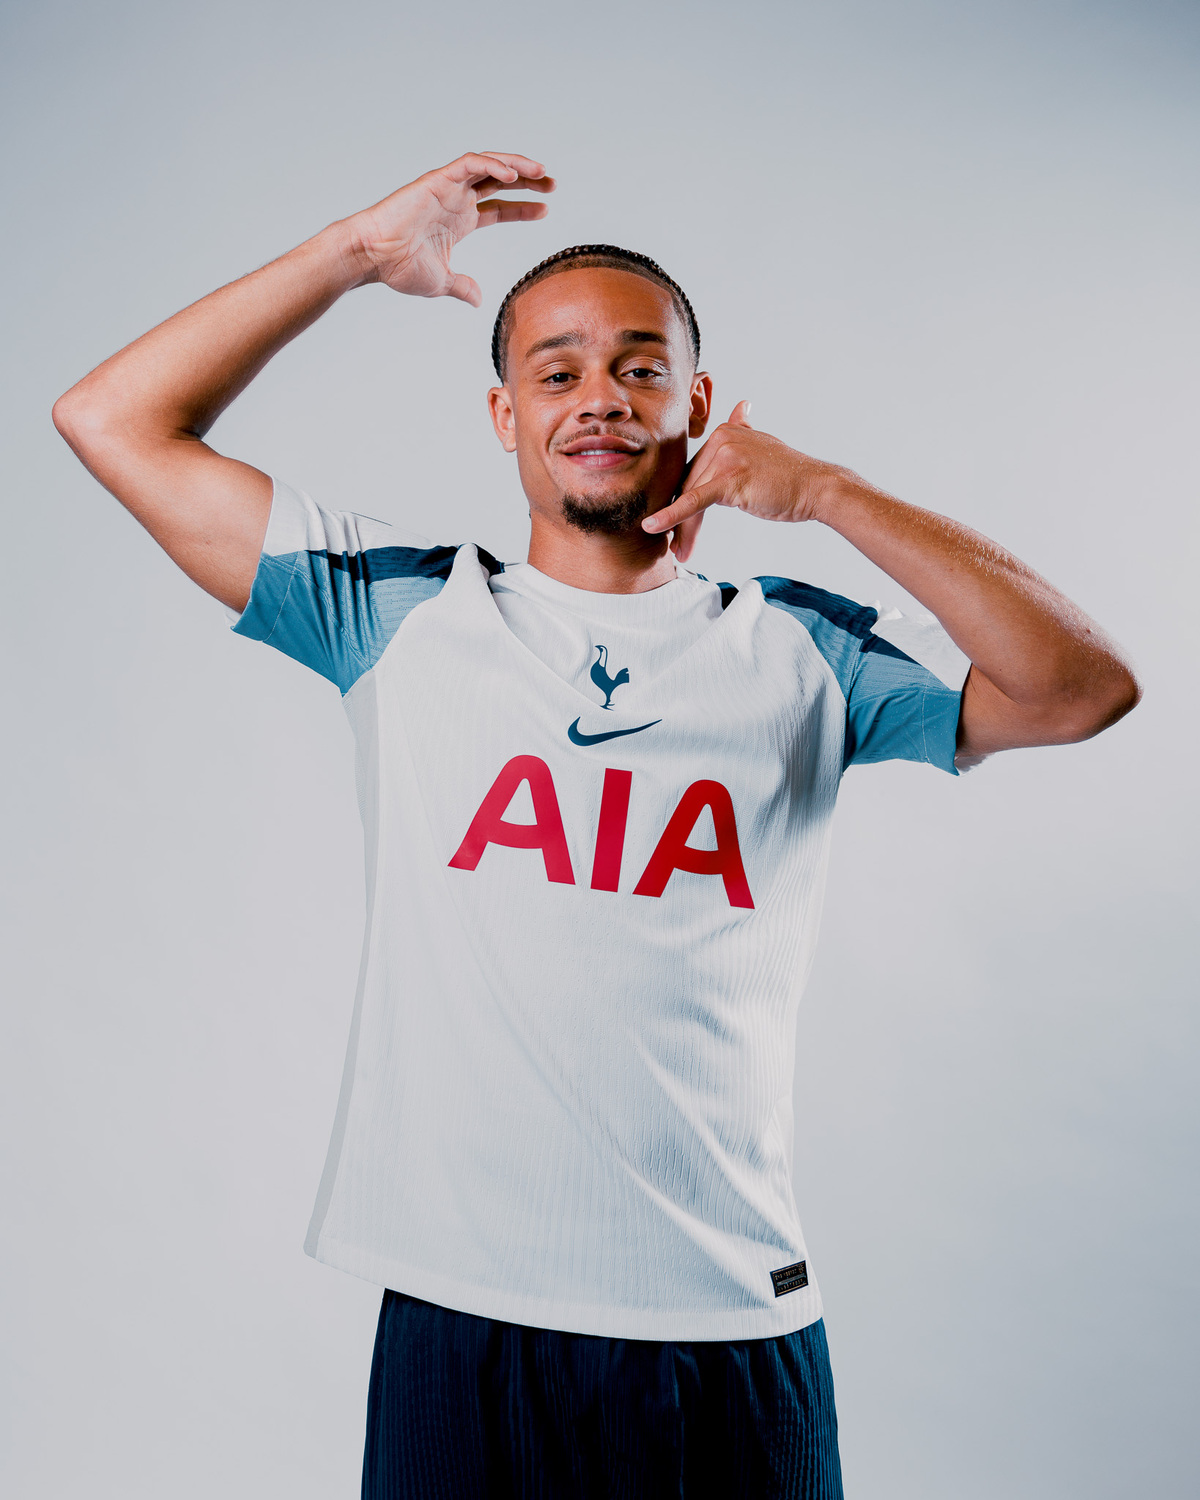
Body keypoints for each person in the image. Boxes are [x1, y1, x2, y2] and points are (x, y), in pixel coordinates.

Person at [52, 150, 1140, 1499]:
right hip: (465, 1325)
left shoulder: (804, 650)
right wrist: (354, 255)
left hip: (730, 1331)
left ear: (698, 403)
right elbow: (111, 420)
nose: (601, 398)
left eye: (640, 367)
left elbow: (1083, 688)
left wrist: (827, 494)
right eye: (557, 371)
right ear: (503, 414)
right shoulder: (397, 612)